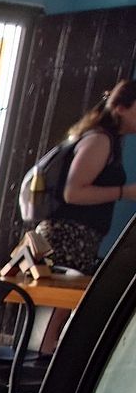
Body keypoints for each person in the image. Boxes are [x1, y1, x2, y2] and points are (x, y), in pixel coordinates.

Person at [36, 78, 136, 274]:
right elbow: (73, 193)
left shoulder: (106, 139)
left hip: (76, 241)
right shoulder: (100, 140)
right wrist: (125, 192)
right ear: (120, 108)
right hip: (66, 241)